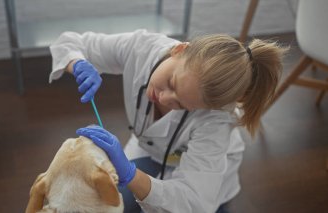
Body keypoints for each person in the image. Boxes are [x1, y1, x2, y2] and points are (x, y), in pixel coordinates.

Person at [49, 29, 287, 213]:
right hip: (149, 148)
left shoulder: (217, 120)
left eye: (182, 105)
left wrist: (131, 174)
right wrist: (77, 63)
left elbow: (194, 201)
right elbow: (68, 42)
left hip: (204, 173)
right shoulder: (141, 47)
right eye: (172, 83)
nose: (163, 98)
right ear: (179, 50)